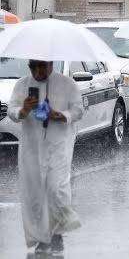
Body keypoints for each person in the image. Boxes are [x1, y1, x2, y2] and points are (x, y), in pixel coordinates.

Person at [8, 60, 83, 254]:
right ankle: (41, 238)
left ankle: (57, 233)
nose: (38, 71)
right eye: (33, 67)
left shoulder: (67, 84)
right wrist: (23, 110)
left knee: (55, 188)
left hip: (58, 146)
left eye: (42, 66)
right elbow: (12, 110)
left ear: (50, 65)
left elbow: (78, 110)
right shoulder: (22, 85)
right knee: (35, 194)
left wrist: (59, 115)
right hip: (31, 147)